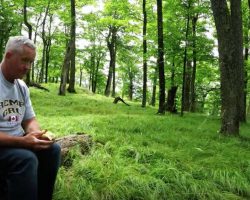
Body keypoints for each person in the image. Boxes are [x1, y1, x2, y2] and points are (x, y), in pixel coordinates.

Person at [0, 36, 61, 200]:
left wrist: (35, 134)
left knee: (53, 150)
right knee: (26, 159)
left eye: (31, 62)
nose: (28, 67)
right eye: (24, 60)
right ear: (9, 56)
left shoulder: (21, 87)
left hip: (16, 142)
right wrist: (22, 142)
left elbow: (29, 120)